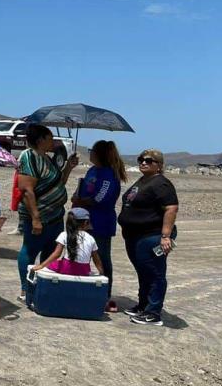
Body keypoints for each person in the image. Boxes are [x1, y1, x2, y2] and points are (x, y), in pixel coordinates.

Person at [16, 124, 78, 300]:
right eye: (50, 138)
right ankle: (25, 288)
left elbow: (57, 184)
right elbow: (27, 190)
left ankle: (42, 284)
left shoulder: (47, 159)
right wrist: (36, 218)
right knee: (30, 250)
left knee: (50, 252)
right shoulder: (29, 157)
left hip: (55, 216)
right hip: (39, 217)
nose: (54, 142)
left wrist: (68, 168)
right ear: (41, 139)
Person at [118, 149, 179, 327]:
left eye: (149, 161)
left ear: (159, 165)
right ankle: (143, 305)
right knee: (143, 271)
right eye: (141, 160)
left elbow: (171, 208)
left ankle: (153, 313)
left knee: (154, 273)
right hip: (135, 236)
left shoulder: (161, 184)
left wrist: (165, 236)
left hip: (153, 236)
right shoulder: (144, 180)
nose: (143, 163)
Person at [71, 140, 125, 311]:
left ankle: (105, 294)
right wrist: (77, 195)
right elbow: (86, 189)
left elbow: (100, 198)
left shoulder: (108, 174)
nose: (90, 153)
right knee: (80, 255)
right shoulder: (93, 170)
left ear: (100, 153)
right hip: (83, 220)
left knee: (102, 259)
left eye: (92, 150)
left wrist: (81, 201)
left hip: (100, 222)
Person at [32, 208, 104, 276]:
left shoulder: (64, 234)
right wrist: (101, 272)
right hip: (84, 271)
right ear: (86, 222)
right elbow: (96, 258)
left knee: (54, 264)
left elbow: (56, 254)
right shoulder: (91, 238)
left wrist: (41, 265)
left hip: (67, 268)